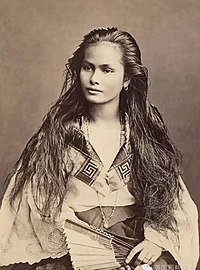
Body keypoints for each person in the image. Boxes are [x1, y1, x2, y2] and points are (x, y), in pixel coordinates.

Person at [0, 27, 199, 270]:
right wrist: (76, 240)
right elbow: (35, 198)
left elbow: (172, 200)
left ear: (126, 79)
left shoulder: (142, 136)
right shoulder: (61, 134)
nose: (94, 79)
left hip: (134, 244)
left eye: (107, 70)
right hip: (72, 245)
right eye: (88, 67)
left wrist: (156, 242)